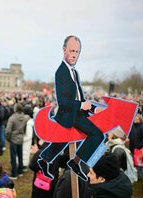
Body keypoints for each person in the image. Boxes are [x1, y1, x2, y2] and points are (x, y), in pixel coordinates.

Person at [38, 35, 105, 181]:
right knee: (97, 135)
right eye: (72, 51)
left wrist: (93, 109)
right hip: (68, 115)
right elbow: (63, 100)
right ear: (64, 50)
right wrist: (81, 105)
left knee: (60, 142)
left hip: (76, 113)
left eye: (77, 52)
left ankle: (44, 161)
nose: (74, 55)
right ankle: (75, 163)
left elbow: (80, 98)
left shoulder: (74, 72)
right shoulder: (60, 71)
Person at [5, 103, 29, 179]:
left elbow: (8, 131)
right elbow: (24, 129)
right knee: (20, 155)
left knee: (13, 157)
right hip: (20, 138)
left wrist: (9, 138)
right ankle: (20, 171)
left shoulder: (12, 118)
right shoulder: (25, 118)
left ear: (15, 109)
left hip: (14, 139)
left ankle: (14, 173)